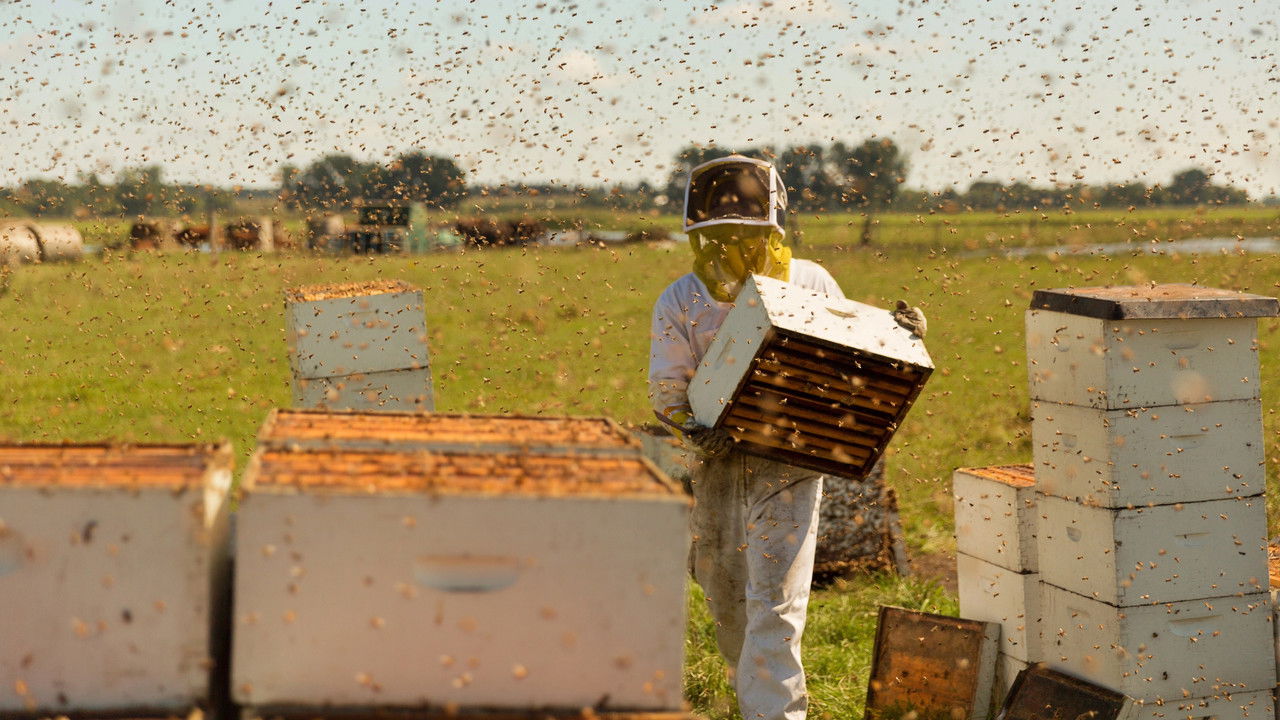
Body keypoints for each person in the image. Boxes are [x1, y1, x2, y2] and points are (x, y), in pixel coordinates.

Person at [647, 154, 925, 720]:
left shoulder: (812, 281)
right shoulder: (680, 298)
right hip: (717, 465)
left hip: (791, 461)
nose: (734, 246)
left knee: (775, 602)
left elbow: (851, 350)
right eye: (722, 234)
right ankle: (747, 691)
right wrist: (693, 429)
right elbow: (666, 385)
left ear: (771, 225)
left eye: (745, 233)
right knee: (726, 597)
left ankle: (775, 715)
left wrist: (904, 336)